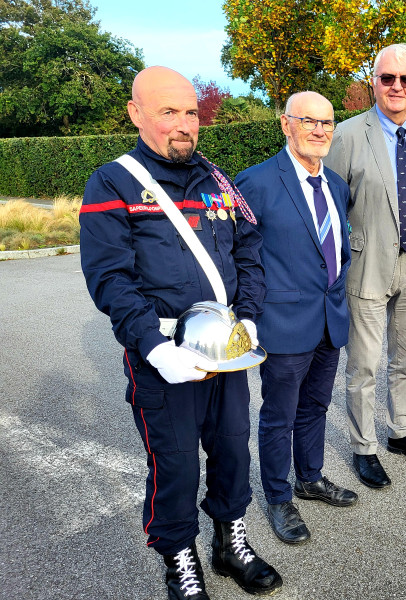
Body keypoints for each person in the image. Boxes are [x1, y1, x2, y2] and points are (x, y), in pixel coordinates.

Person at [80, 66, 281, 599]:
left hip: (226, 347)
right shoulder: (112, 182)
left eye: (191, 112)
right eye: (168, 112)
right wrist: (150, 344)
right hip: (166, 351)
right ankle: (179, 557)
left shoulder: (217, 178)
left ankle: (229, 540)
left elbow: (249, 249)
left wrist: (251, 313)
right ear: (137, 114)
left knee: (233, 448)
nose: (183, 124)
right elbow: (110, 276)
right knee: (174, 461)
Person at [234, 91, 357, 546]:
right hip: (283, 324)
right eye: (310, 122)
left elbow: (337, 250)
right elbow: (240, 257)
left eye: (328, 123)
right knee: (279, 415)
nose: (321, 131)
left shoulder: (338, 185)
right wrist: (248, 315)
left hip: (329, 318)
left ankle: (310, 477)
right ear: (287, 125)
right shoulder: (257, 182)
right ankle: (279, 496)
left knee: (316, 407)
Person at [326, 43, 406, 488]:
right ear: (374, 81)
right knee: (365, 362)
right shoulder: (348, 135)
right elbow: (334, 206)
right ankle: (364, 446)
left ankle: (403, 432)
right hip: (367, 264)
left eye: (405, 80)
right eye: (387, 78)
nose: (396, 86)